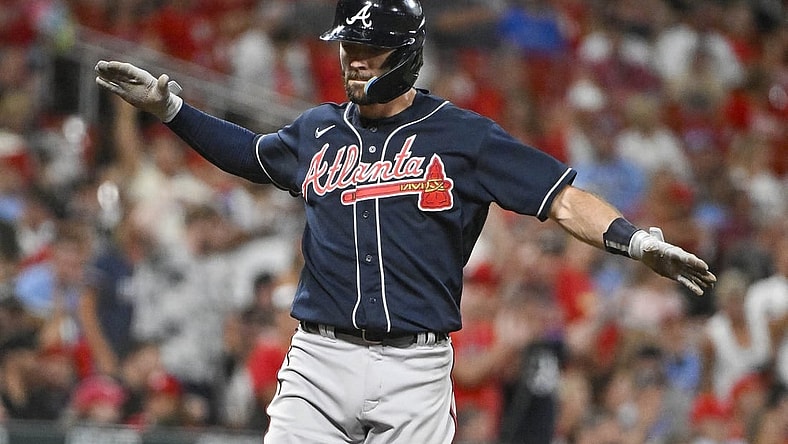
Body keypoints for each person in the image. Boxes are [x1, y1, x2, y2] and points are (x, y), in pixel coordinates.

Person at [94, 1, 716, 441]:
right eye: (347, 46)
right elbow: (251, 155)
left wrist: (633, 240)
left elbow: (559, 197)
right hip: (320, 357)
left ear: (407, 52)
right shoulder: (318, 129)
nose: (352, 60)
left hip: (415, 368)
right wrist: (171, 109)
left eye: (368, 48)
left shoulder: (463, 136)